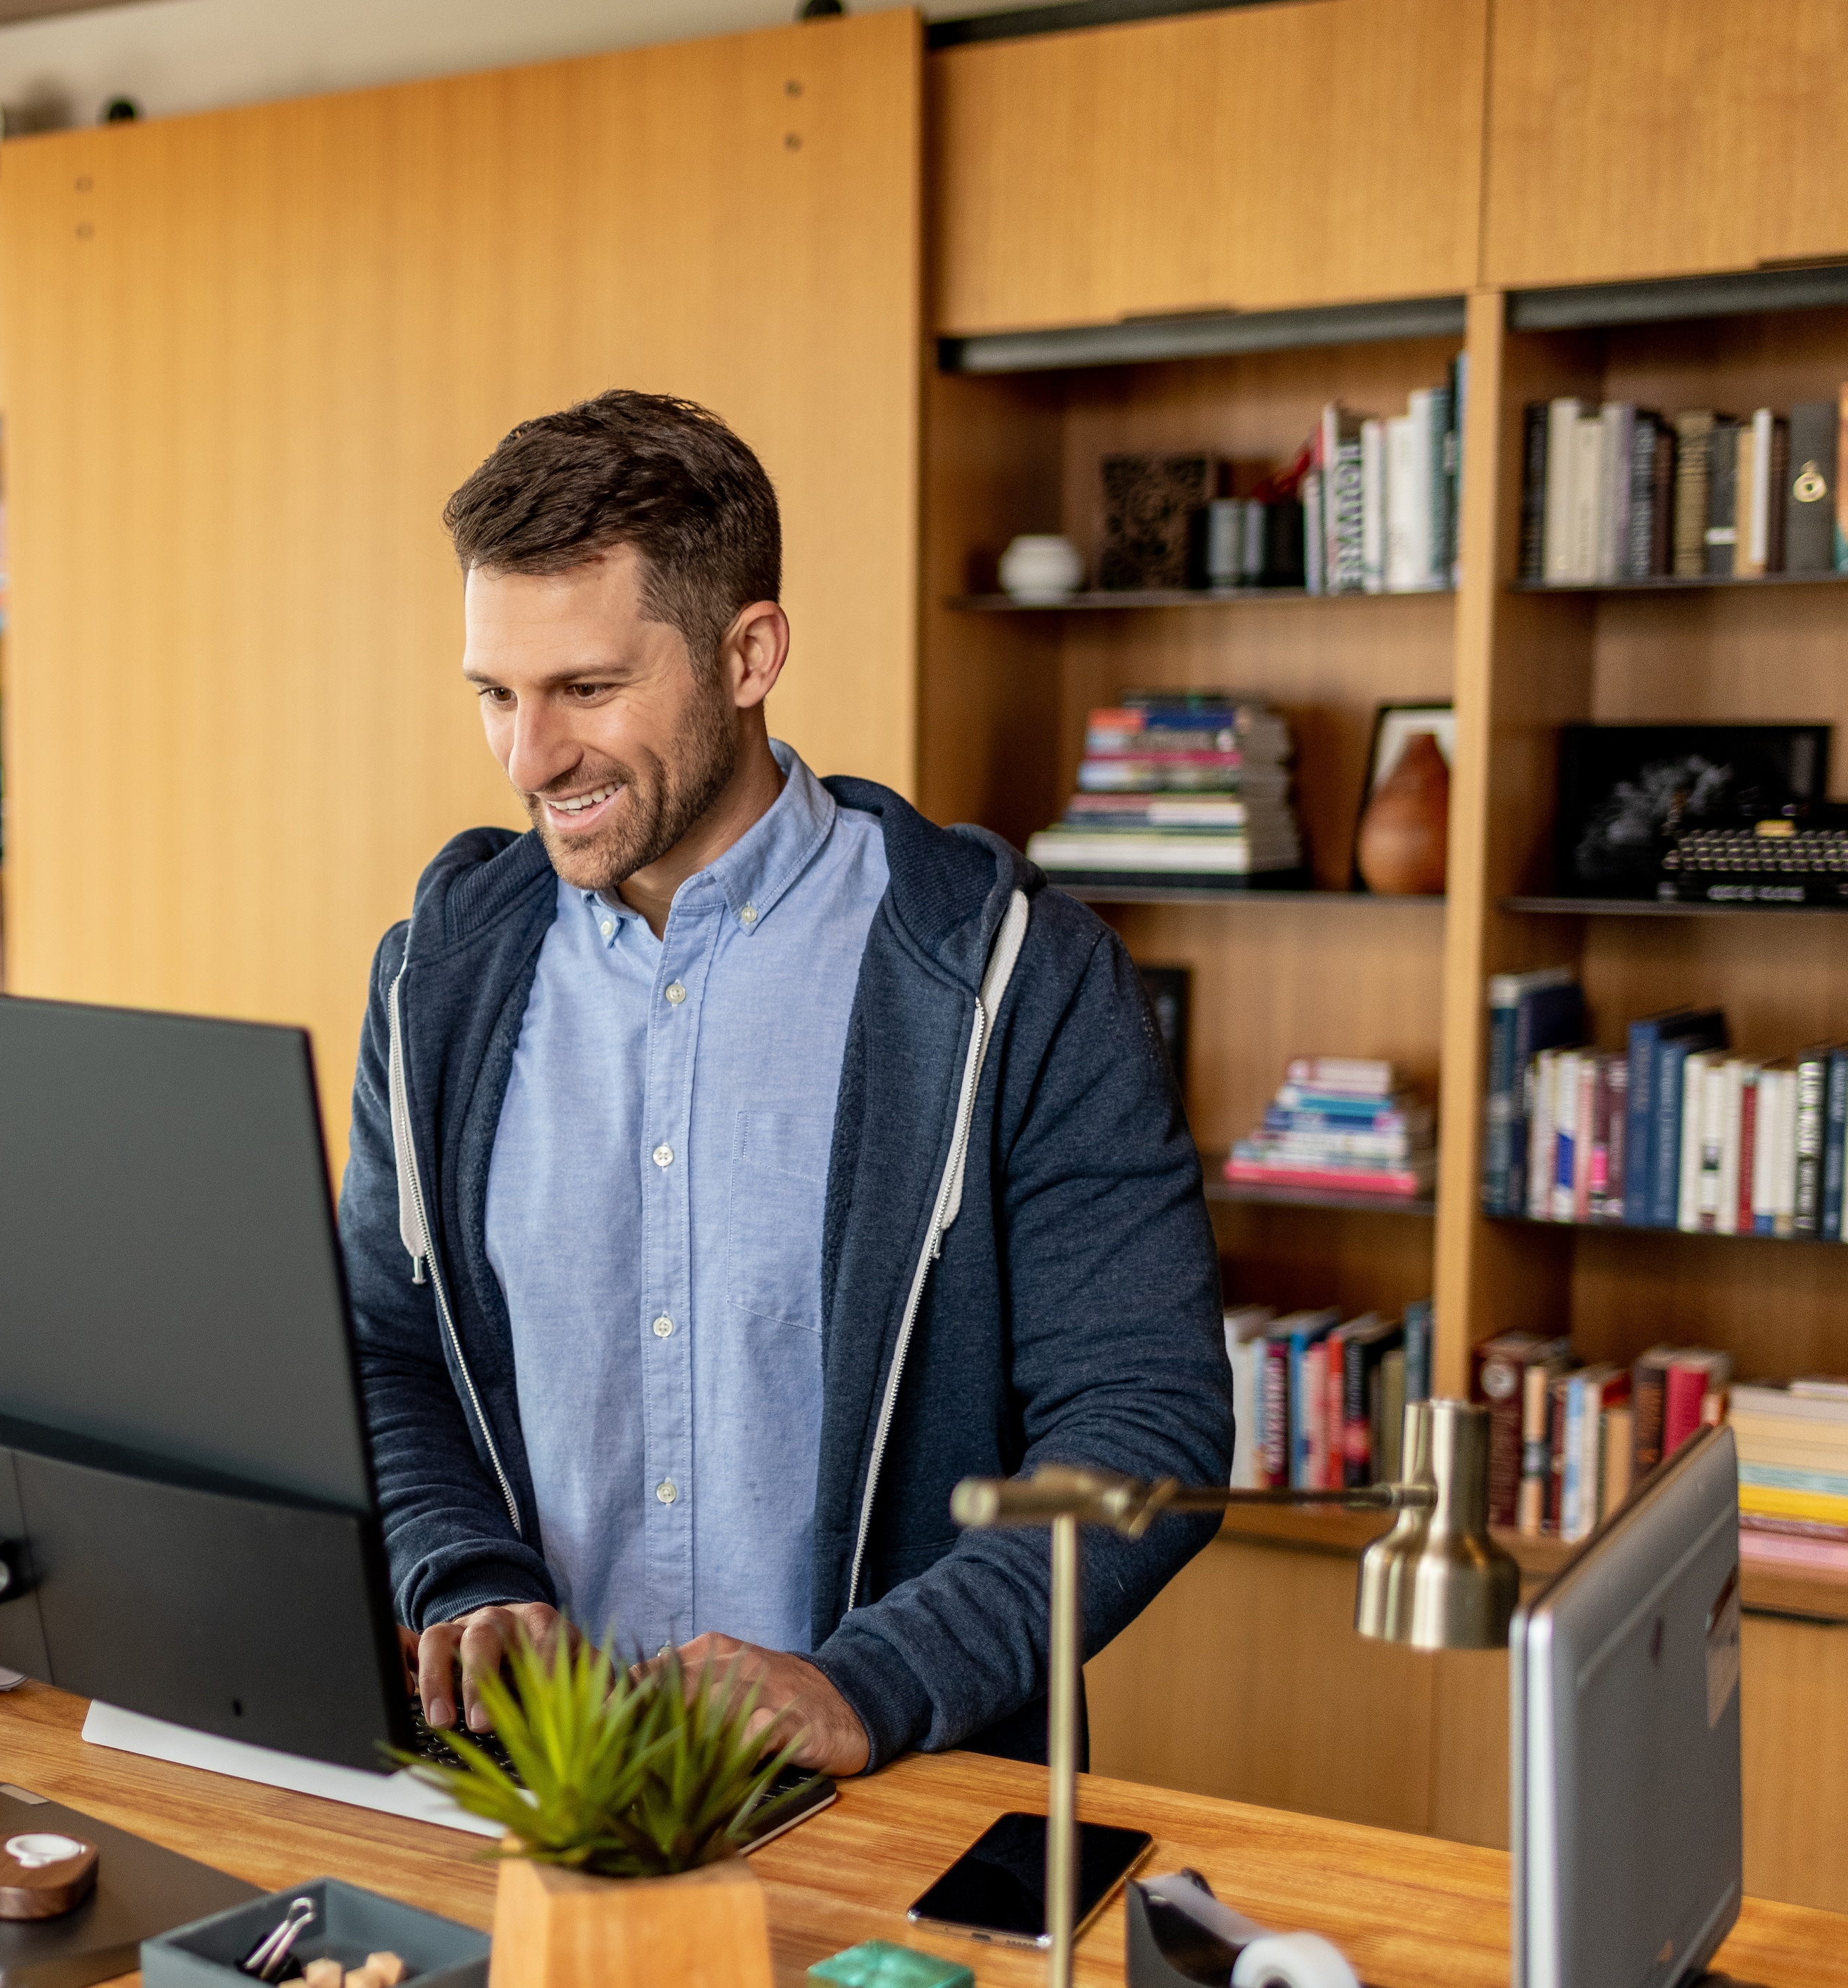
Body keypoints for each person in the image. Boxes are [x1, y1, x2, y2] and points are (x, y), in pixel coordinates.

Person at [343, 389, 1226, 1802]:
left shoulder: (1012, 975)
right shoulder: (429, 982)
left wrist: (864, 1680)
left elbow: (1140, 1426)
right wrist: (463, 1571)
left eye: (585, 689)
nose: (530, 759)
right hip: (520, 1798)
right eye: (495, 695)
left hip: (889, 1793)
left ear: (748, 652)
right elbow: (385, 1347)